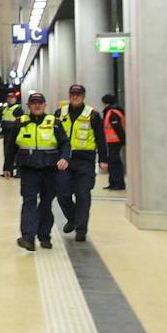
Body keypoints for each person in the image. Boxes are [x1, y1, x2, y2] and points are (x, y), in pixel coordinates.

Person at [15, 92, 70, 251]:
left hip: (50, 171)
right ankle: (28, 238)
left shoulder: (54, 123)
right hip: (28, 170)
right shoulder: (21, 122)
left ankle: (44, 236)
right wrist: (7, 166)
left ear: (45, 105)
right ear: (28, 106)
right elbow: (11, 145)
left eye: (40, 103)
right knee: (29, 202)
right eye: (33, 103)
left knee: (46, 204)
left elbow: (65, 143)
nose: (37, 106)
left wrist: (65, 158)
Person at [55, 84, 107, 242]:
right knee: (62, 193)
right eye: (72, 94)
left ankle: (81, 229)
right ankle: (72, 218)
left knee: (82, 194)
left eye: (78, 94)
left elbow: (101, 139)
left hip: (85, 160)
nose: (75, 97)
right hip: (64, 160)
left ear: (83, 96)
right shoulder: (59, 114)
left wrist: (103, 160)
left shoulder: (93, 115)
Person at [101, 93, 127, 191]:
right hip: (113, 141)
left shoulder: (112, 112)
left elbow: (117, 128)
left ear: (104, 102)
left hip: (114, 141)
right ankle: (113, 183)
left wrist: (123, 140)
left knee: (114, 162)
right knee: (112, 162)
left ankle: (118, 183)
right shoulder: (115, 111)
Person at [0, 100, 24, 178]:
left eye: (12, 97)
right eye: (9, 97)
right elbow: (3, 120)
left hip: (15, 132)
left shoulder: (18, 109)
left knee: (16, 153)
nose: (10, 99)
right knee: (7, 152)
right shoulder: (6, 109)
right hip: (7, 133)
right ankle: (10, 170)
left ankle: (18, 172)